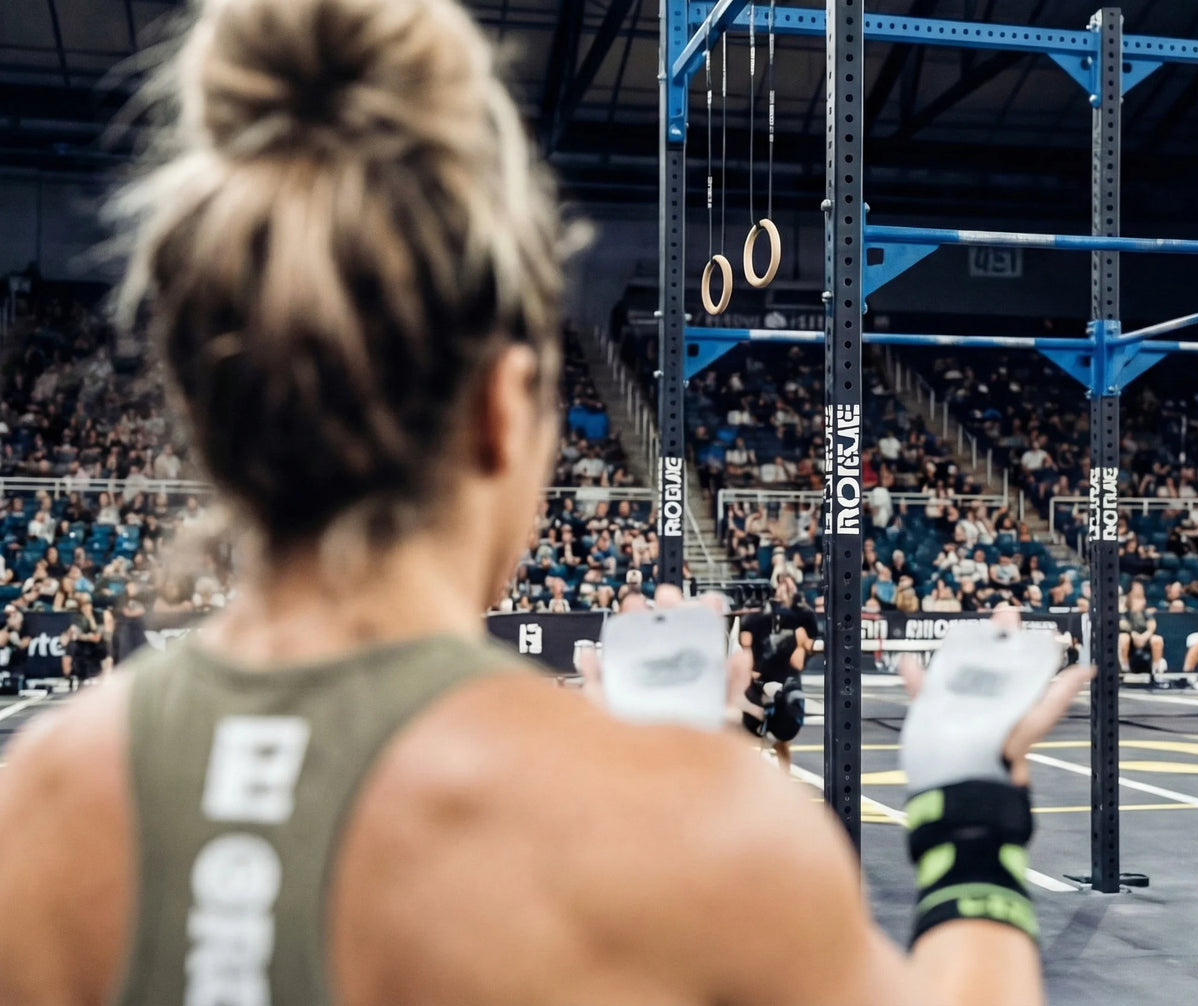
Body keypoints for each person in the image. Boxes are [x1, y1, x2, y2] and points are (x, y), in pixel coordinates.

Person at [0, 3, 1092, 1002]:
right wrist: (971, 817)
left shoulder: (38, 807)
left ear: (208, 412)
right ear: (500, 408)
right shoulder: (717, 837)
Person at [738, 579, 817, 771]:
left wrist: (800, 644)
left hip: (784, 680)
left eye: (787, 591)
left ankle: (784, 776)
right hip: (760, 679)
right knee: (748, 735)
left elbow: (801, 657)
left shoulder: (801, 619)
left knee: (782, 739)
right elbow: (746, 645)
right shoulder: (756, 619)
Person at [1118, 592, 1165, 678]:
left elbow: (1152, 627)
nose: (1141, 602)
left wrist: (1144, 637)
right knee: (1123, 638)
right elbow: (1123, 625)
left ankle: (1156, 668)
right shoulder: (1125, 614)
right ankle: (1125, 668)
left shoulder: (1147, 614)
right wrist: (1134, 635)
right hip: (1131, 639)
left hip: (1145, 638)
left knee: (1157, 639)